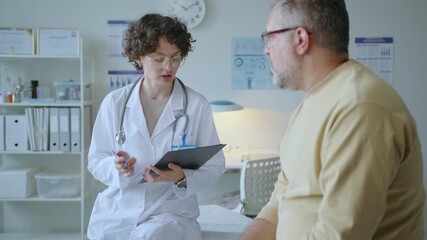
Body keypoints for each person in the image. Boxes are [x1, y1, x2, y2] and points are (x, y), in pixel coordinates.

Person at [241, 0, 425, 239]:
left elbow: (340, 234)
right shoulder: (309, 105)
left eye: (271, 37)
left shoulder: (360, 107)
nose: (266, 49)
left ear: (300, 39)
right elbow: (280, 199)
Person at [87, 13, 225, 240]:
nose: (168, 67)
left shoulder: (196, 105)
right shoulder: (115, 103)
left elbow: (215, 167)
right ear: (139, 57)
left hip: (171, 214)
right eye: (158, 58)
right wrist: (118, 168)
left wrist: (181, 178)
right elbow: (95, 160)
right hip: (119, 212)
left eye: (175, 58)